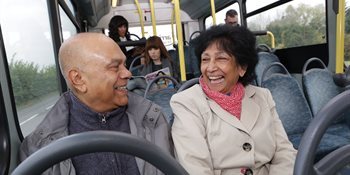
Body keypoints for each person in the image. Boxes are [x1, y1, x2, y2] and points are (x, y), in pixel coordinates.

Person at [19, 33, 172, 175]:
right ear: (78, 79)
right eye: (114, 67)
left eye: (124, 65)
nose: (128, 73)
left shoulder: (154, 120)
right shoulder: (38, 148)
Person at [170, 25, 296, 175]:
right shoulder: (186, 103)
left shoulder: (263, 97)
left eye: (221, 58)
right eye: (205, 59)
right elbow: (194, 168)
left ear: (242, 67)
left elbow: (284, 152)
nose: (210, 68)